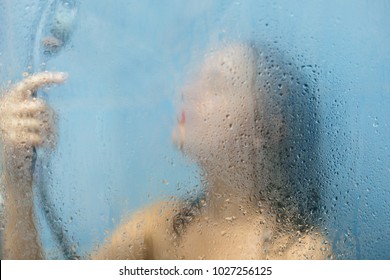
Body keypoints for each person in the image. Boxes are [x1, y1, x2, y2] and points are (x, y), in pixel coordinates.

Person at [0, 43, 332, 260]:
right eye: (194, 79)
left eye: (216, 83)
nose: (186, 91)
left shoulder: (299, 253)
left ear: (270, 129)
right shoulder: (159, 226)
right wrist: (17, 177)